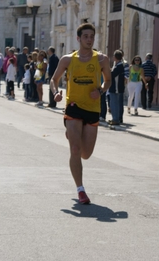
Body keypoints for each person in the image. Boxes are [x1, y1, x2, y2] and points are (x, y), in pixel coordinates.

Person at [49, 23, 112, 204]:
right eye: (86, 36)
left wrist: (99, 91)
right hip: (73, 107)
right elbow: (54, 79)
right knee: (75, 150)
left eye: (92, 36)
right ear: (78, 39)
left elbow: (108, 81)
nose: (89, 39)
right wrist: (56, 93)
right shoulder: (68, 60)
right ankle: (81, 190)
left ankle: (73, 135)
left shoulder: (102, 59)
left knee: (86, 154)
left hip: (92, 109)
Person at [109, 50, 126, 125]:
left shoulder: (119, 66)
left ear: (115, 57)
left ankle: (115, 119)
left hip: (116, 87)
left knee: (114, 103)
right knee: (115, 103)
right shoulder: (117, 65)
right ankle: (116, 118)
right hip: (117, 87)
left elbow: (112, 75)